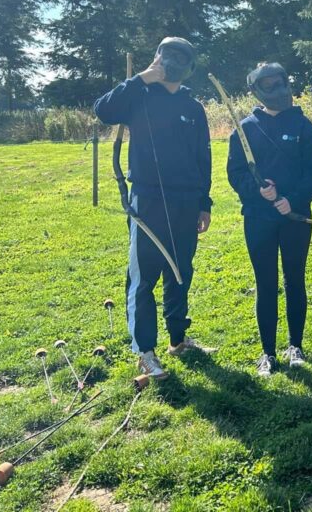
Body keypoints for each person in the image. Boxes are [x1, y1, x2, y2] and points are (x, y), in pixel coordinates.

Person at [94, 37, 213, 380]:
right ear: (157, 57)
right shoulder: (139, 94)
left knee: (180, 270)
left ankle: (177, 338)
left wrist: (203, 203)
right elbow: (103, 110)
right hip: (146, 200)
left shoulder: (193, 107)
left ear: (189, 67)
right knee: (144, 277)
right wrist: (141, 79)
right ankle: (145, 352)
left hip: (186, 202)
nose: (170, 62)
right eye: (166, 55)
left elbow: (202, 158)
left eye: (180, 58)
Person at [225, 63, 312, 377]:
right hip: (258, 218)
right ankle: (267, 353)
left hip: (295, 218)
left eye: (280, 83)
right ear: (256, 90)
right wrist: (258, 192)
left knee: (295, 279)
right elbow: (236, 173)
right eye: (268, 85)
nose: (277, 91)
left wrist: (292, 200)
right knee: (265, 283)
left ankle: (295, 346)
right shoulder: (244, 130)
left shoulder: (303, 127)